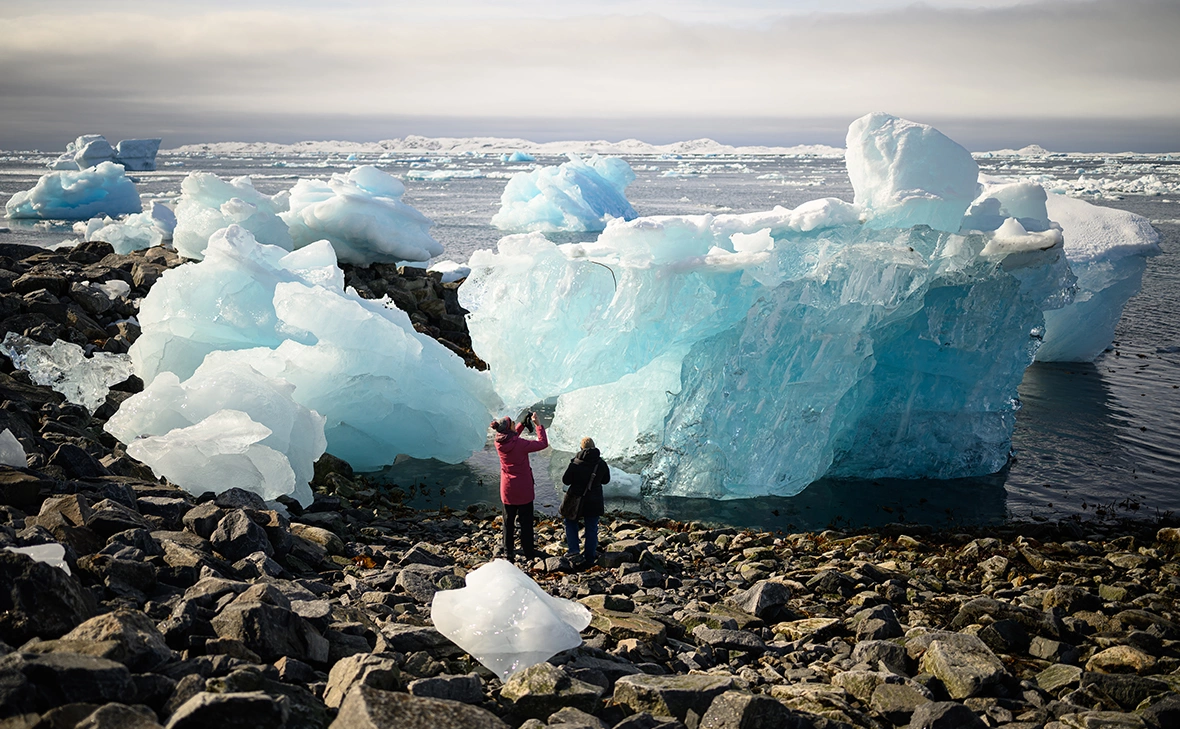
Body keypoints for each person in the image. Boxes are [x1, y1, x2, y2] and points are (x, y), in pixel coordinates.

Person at [491, 412, 548, 564]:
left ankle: (508, 553)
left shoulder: (499, 442)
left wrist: (522, 424)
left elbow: (511, 436)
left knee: (508, 523)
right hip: (523, 490)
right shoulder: (521, 444)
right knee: (526, 523)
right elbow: (543, 443)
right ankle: (528, 552)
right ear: (509, 428)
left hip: (508, 490)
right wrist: (538, 425)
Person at [560, 436, 610, 570]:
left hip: (576, 499)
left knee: (570, 523)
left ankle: (574, 551)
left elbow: (566, 480)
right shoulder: (601, 463)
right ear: (594, 447)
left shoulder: (575, 463)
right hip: (594, 500)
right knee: (592, 528)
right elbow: (606, 480)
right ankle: (589, 556)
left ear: (581, 448)